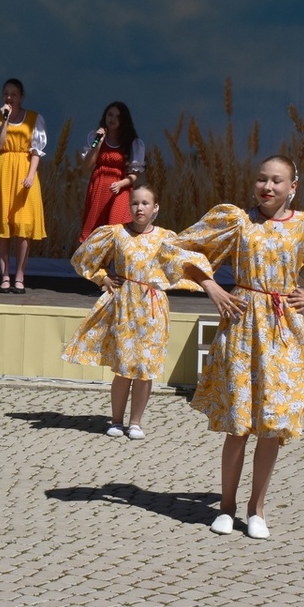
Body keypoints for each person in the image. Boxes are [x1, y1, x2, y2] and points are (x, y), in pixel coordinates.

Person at [160, 155, 304, 540]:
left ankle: (257, 509)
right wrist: (211, 285)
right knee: (239, 424)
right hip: (242, 324)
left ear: (292, 187)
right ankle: (227, 507)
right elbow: (177, 248)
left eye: (277, 181)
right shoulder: (236, 221)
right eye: (262, 179)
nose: (267, 187)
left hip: (282, 330)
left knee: (272, 425)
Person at [63, 183, 195, 440]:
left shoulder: (166, 237)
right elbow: (82, 259)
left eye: (145, 203)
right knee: (123, 367)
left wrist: (169, 282)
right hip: (125, 305)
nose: (139, 208)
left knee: (145, 368)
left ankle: (136, 422)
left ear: (155, 208)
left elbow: (186, 265)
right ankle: (116, 420)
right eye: (135, 203)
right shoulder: (116, 233)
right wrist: (103, 278)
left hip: (153, 309)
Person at [0, 78, 47, 294]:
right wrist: (5, 121)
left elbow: (37, 151)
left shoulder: (34, 118)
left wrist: (31, 175)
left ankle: (20, 275)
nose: (9, 98)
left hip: (25, 171)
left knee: (24, 226)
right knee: (4, 226)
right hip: (4, 169)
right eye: (5, 94)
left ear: (21, 96)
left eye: (13, 94)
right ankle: (4, 276)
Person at [79, 101, 146, 244]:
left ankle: (117, 261)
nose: (113, 119)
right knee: (96, 226)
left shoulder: (132, 143)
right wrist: (98, 144)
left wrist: (122, 183)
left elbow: (135, 174)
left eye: (118, 116)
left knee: (116, 225)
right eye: (110, 115)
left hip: (121, 188)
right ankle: (97, 262)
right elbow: (88, 164)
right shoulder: (95, 138)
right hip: (100, 185)